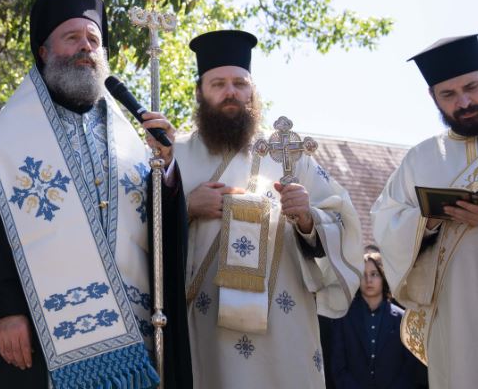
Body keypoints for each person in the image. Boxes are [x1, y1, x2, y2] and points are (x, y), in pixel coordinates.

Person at [0, 0, 191, 389]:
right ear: (44, 52)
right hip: (40, 336)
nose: (86, 48)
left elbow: (158, 228)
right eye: (72, 38)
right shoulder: (10, 139)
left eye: (93, 40)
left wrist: (169, 170)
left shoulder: (128, 138)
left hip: (130, 334)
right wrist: (4, 310)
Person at [173, 30, 363, 389]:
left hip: (282, 325)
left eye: (239, 84)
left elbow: (341, 220)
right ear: (200, 91)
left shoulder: (289, 153)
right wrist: (186, 207)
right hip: (205, 322)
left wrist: (308, 218)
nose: (231, 92)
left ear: (252, 91)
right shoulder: (175, 155)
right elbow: (142, 229)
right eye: (218, 84)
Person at [371, 34, 478, 388]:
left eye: (472, 87)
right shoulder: (420, 158)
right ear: (433, 97)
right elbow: (384, 221)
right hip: (454, 315)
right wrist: (424, 221)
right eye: (448, 95)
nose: (464, 102)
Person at [330, 250, 419, 389]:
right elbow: (338, 367)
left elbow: (410, 369)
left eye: (374, 274)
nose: (368, 280)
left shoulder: (403, 320)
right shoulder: (343, 318)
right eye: (363, 275)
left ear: (383, 277)